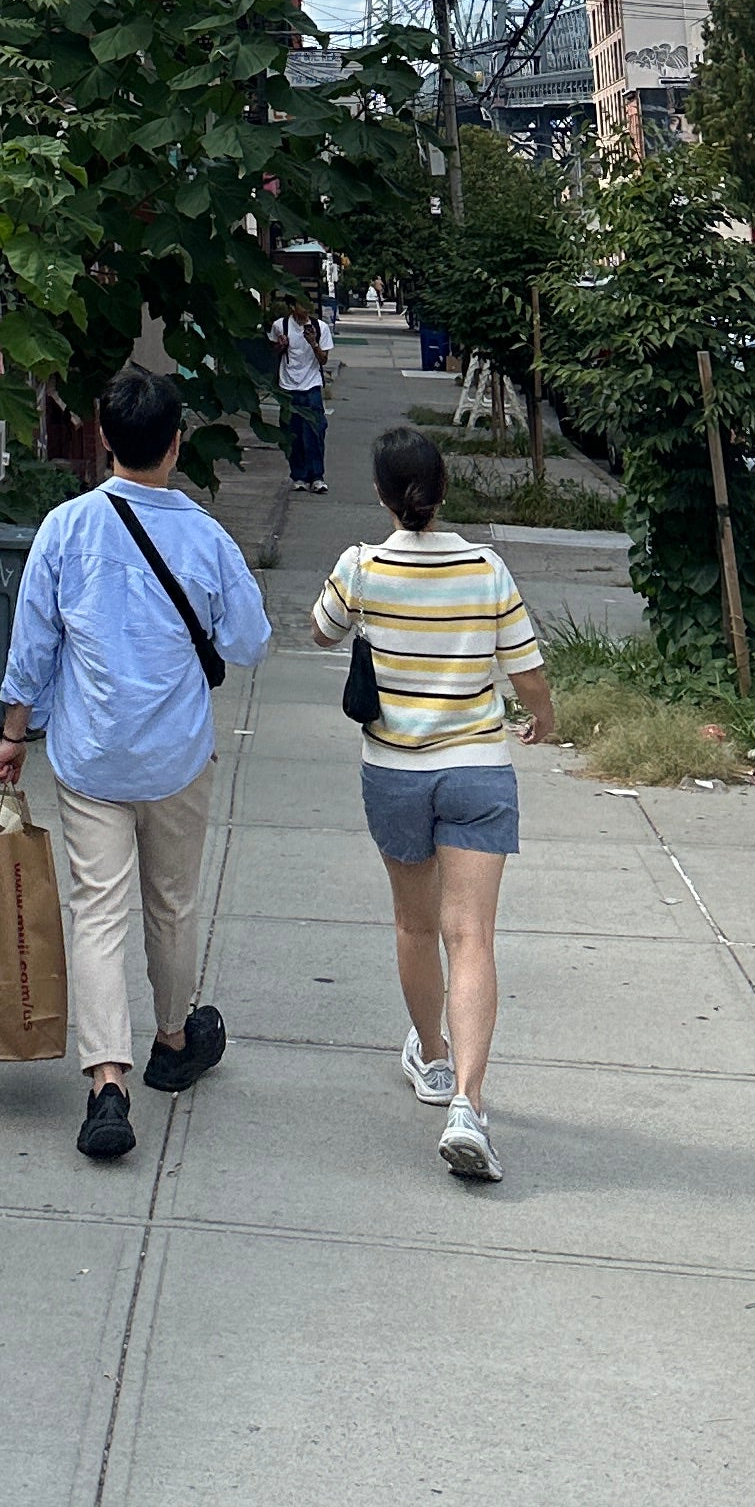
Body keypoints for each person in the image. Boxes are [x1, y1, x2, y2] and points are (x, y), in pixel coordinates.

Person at [0, 367, 272, 1162]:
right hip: (177, 757)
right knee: (174, 904)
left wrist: (14, 735)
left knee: (99, 911)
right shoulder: (206, 537)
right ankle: (175, 1041)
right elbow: (249, 643)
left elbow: (33, 650)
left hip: (90, 759)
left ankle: (105, 1083)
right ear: (177, 443)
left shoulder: (65, 529)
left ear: (104, 438)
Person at [310, 421, 555, 1186]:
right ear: (442, 489)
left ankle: (436, 1063)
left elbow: (320, 634)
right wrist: (544, 720)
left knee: (416, 925)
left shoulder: (362, 565)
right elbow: (528, 670)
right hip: (479, 768)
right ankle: (470, 1110)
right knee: (471, 936)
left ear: (383, 495)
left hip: (394, 771)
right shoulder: (486, 568)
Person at [270, 298, 328, 488]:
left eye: (309, 308)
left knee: (315, 432)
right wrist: (281, 345)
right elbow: (273, 352)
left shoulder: (320, 328)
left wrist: (313, 343)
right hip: (288, 386)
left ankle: (317, 476)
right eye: (303, 308)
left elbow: (324, 360)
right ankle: (299, 476)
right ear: (293, 308)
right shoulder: (280, 326)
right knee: (292, 433)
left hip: (312, 385)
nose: (306, 313)